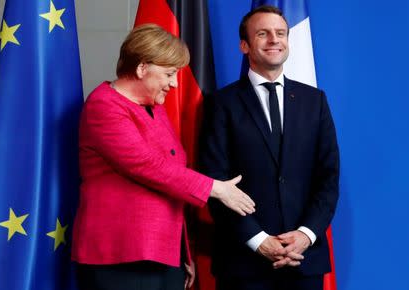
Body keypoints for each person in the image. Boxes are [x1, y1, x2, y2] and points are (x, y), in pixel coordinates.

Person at [71, 24, 255, 290]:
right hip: (119, 255)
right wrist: (215, 188)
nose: (174, 83)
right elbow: (147, 166)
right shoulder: (104, 105)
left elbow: (171, 179)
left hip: (161, 253)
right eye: (169, 73)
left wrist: (181, 253)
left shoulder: (154, 108)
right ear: (142, 68)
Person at [199, 5, 339, 290]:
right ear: (244, 45)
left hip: (303, 259)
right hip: (244, 261)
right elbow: (214, 183)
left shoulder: (315, 101)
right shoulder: (220, 104)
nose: (274, 40)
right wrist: (259, 240)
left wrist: (305, 234)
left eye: (280, 33)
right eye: (263, 34)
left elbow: (328, 178)